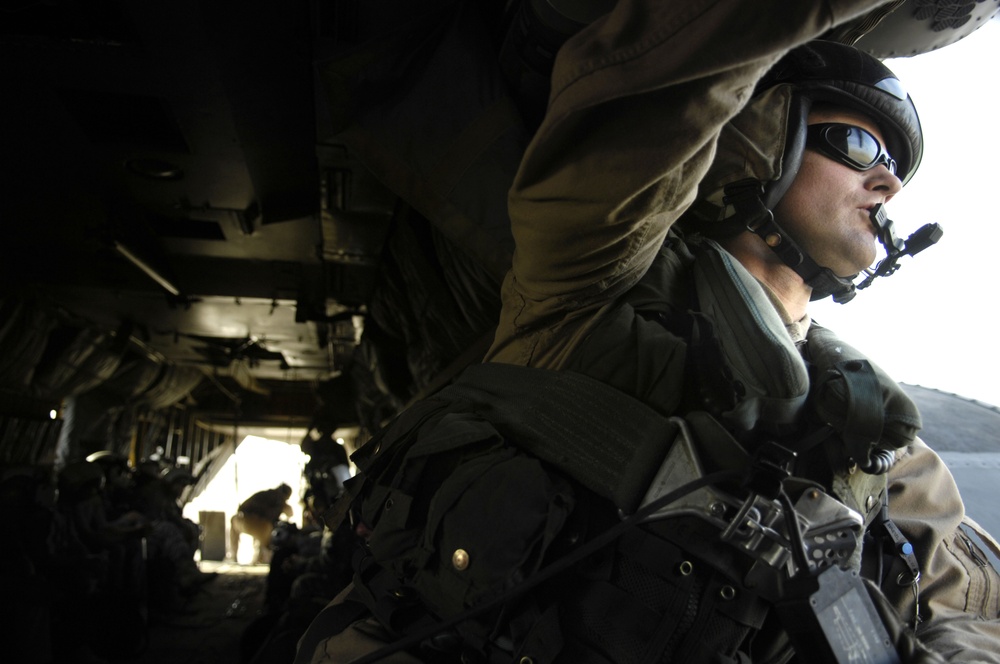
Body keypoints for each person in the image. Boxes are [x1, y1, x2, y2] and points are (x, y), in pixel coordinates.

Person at [298, 1, 1000, 662]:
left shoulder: (883, 447)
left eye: (898, 169)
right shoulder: (584, 282)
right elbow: (668, 84)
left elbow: (965, 611)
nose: (889, 184)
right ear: (760, 140)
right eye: (856, 144)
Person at [231, 483, 294, 564]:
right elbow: (289, 514)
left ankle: (234, 556)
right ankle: (261, 558)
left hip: (244, 522)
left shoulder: (264, 494)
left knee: (235, 520)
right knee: (267, 529)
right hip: (260, 526)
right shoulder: (279, 499)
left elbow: (242, 507)